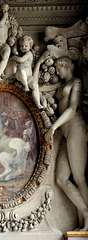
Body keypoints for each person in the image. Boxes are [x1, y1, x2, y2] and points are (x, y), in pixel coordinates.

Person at [45, 56, 88, 230]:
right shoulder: (61, 86)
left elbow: (72, 108)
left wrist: (54, 127)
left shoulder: (76, 82)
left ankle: (86, 223)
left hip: (76, 128)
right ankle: (84, 212)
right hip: (65, 132)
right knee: (61, 178)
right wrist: (40, 63)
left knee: (79, 177)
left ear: (67, 65)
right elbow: (40, 87)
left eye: (59, 68)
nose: (56, 71)